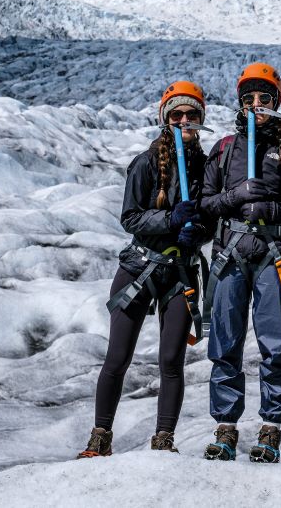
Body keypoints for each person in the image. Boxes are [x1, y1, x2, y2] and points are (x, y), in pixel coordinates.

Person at [77, 81, 209, 458]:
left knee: (171, 360)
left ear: (201, 120)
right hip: (140, 269)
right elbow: (130, 217)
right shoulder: (146, 163)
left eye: (192, 114)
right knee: (117, 358)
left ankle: (164, 439)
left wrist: (199, 231)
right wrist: (170, 219)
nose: (185, 120)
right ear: (165, 118)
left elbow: (212, 217)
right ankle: (99, 438)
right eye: (177, 114)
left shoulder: (205, 166)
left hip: (180, 273)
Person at [199, 62, 281, 463]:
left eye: (264, 98)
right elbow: (204, 204)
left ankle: (271, 428)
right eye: (250, 99)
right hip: (229, 257)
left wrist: (272, 208)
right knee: (224, 343)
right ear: (241, 103)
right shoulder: (225, 149)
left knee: (274, 345)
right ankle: (226, 427)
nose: (257, 104)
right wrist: (234, 197)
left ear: (276, 102)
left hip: (272, 258)